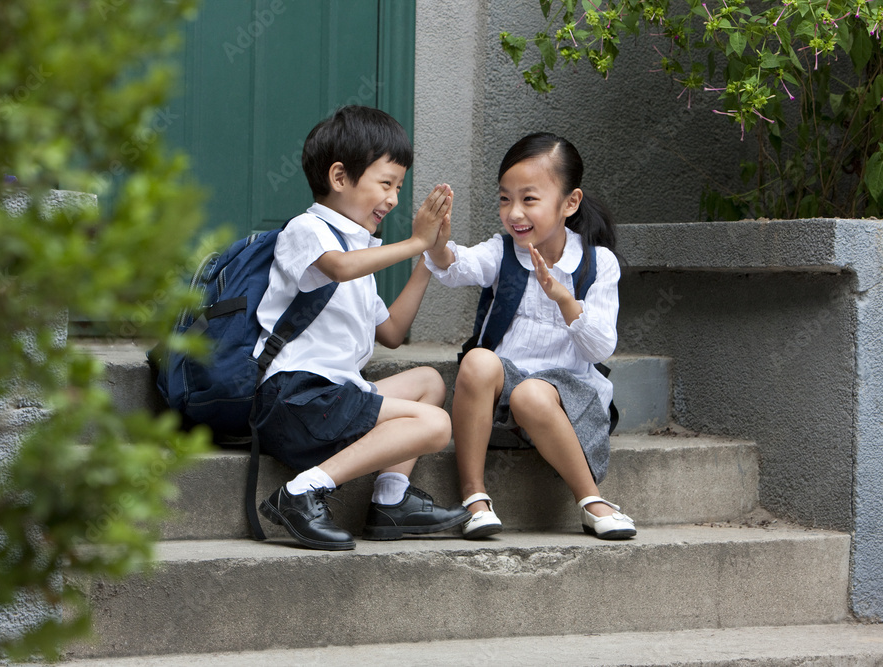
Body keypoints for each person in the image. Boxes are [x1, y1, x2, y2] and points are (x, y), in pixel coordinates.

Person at [254, 105, 470, 551]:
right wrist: (411, 241)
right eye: (386, 183)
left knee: (429, 382)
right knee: (435, 424)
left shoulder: (358, 251)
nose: (393, 199)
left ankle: (391, 501)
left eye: (398, 187)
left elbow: (390, 333)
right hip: (297, 399)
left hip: (334, 398)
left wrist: (427, 258)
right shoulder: (307, 229)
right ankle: (300, 492)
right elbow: (339, 268)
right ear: (339, 177)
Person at [423, 132, 636, 540]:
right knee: (478, 360)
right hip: (502, 398)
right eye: (505, 199)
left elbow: (600, 347)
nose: (514, 212)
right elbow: (457, 267)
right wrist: (436, 245)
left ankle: (591, 501)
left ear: (570, 203)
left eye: (529, 199)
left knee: (533, 393)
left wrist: (563, 298)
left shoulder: (597, 263)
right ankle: (474, 498)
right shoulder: (502, 252)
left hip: (566, 400)